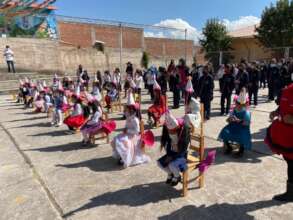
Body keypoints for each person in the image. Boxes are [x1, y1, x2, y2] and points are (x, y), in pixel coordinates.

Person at [265, 83, 293, 202]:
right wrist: (276, 112)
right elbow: (283, 105)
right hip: (285, 134)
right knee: (290, 162)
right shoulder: (288, 89)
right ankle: (291, 192)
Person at [112, 91, 150, 168]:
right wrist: (125, 129)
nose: (125, 112)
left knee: (125, 143)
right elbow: (127, 126)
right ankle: (121, 156)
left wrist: (128, 131)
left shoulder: (135, 119)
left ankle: (125, 158)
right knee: (116, 139)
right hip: (128, 134)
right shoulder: (128, 118)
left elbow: (137, 131)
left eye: (126, 110)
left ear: (131, 110)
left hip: (134, 136)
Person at [158, 111, 191, 186]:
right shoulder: (170, 136)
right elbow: (169, 147)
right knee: (159, 163)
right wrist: (169, 152)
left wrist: (176, 151)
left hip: (181, 156)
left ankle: (177, 176)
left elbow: (183, 150)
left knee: (171, 165)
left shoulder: (184, 137)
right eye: (169, 131)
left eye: (173, 131)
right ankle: (170, 173)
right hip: (172, 154)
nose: (171, 132)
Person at [218, 90, 252, 158]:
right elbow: (228, 120)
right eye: (237, 103)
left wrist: (238, 120)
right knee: (225, 131)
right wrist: (230, 119)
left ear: (243, 104)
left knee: (241, 135)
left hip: (242, 127)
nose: (237, 105)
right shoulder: (234, 110)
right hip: (233, 126)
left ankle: (241, 150)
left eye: (239, 104)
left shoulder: (246, 112)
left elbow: (246, 123)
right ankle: (229, 147)